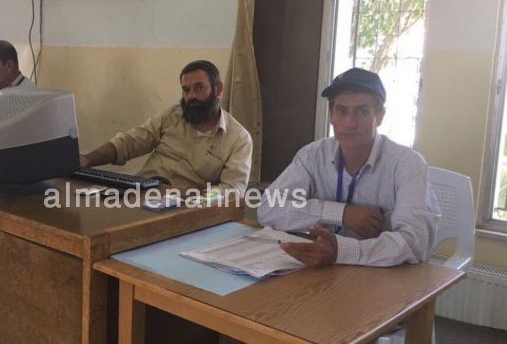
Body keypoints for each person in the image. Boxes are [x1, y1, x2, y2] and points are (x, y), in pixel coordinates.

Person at [257, 68, 440, 268]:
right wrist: (341, 214)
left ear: (380, 116)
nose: (350, 123)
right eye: (341, 111)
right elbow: (268, 208)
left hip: (383, 273)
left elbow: (415, 242)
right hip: (321, 267)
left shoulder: (407, 164)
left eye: (361, 111)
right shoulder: (313, 155)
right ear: (331, 115)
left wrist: (340, 252)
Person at [81, 60, 253, 196]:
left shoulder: (238, 139)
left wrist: (199, 197)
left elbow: (232, 190)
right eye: (186, 90)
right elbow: (130, 142)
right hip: (141, 194)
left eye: (199, 87)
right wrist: (87, 160)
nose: (191, 96)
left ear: (218, 89)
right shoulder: (171, 116)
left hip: (184, 207)